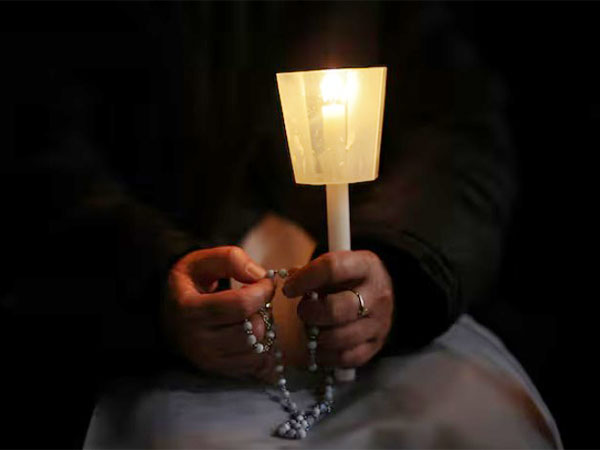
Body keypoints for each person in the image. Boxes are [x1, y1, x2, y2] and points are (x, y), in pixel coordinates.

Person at [0, 2, 559, 448]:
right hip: (150, 348)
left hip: (396, 328)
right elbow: (39, 151)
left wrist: (403, 268)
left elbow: (459, 135)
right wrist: (149, 280)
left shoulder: (403, 21)